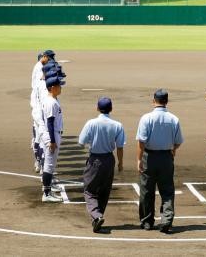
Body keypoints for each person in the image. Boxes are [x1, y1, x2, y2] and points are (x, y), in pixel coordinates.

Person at [136, 89, 184, 233]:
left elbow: (141, 142)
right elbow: (178, 141)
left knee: (146, 190)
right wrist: (173, 150)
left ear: (153, 101)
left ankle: (147, 222)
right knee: (167, 190)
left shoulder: (146, 118)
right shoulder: (174, 119)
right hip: (166, 158)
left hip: (149, 157)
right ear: (167, 102)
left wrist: (139, 159)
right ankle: (166, 219)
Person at [78, 97, 126, 233]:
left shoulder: (91, 123)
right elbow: (120, 147)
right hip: (109, 160)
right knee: (105, 190)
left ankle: (97, 216)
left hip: (95, 160)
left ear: (97, 108)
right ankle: (97, 217)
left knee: (89, 190)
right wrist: (120, 163)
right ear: (111, 109)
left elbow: (81, 142)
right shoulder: (117, 125)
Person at [40, 74, 65, 203]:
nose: (61, 88)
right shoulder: (51, 102)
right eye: (59, 85)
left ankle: (48, 189)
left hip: (52, 133)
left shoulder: (51, 100)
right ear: (53, 87)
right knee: (49, 165)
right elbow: (50, 122)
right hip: (52, 134)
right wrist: (52, 141)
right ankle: (47, 193)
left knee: (49, 164)